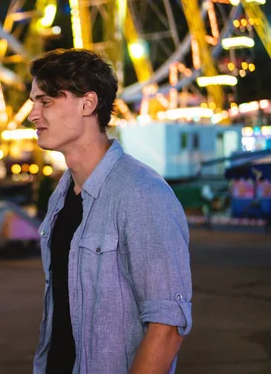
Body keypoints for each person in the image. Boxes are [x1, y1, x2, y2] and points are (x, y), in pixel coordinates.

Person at [28, 49, 192, 374]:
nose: (32, 114)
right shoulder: (60, 197)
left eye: (45, 101)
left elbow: (168, 324)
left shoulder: (142, 193)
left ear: (87, 104)